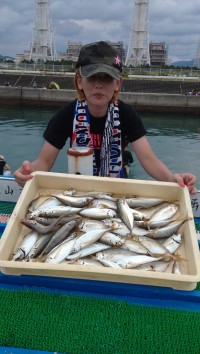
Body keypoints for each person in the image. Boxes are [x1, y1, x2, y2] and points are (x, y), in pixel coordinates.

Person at [13, 41, 197, 194]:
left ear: (118, 83)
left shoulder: (127, 115)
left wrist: (172, 178)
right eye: (92, 77)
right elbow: (44, 161)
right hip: (79, 192)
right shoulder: (66, 115)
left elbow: (149, 159)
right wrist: (28, 173)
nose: (99, 85)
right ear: (79, 81)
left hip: (117, 191)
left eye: (107, 78)